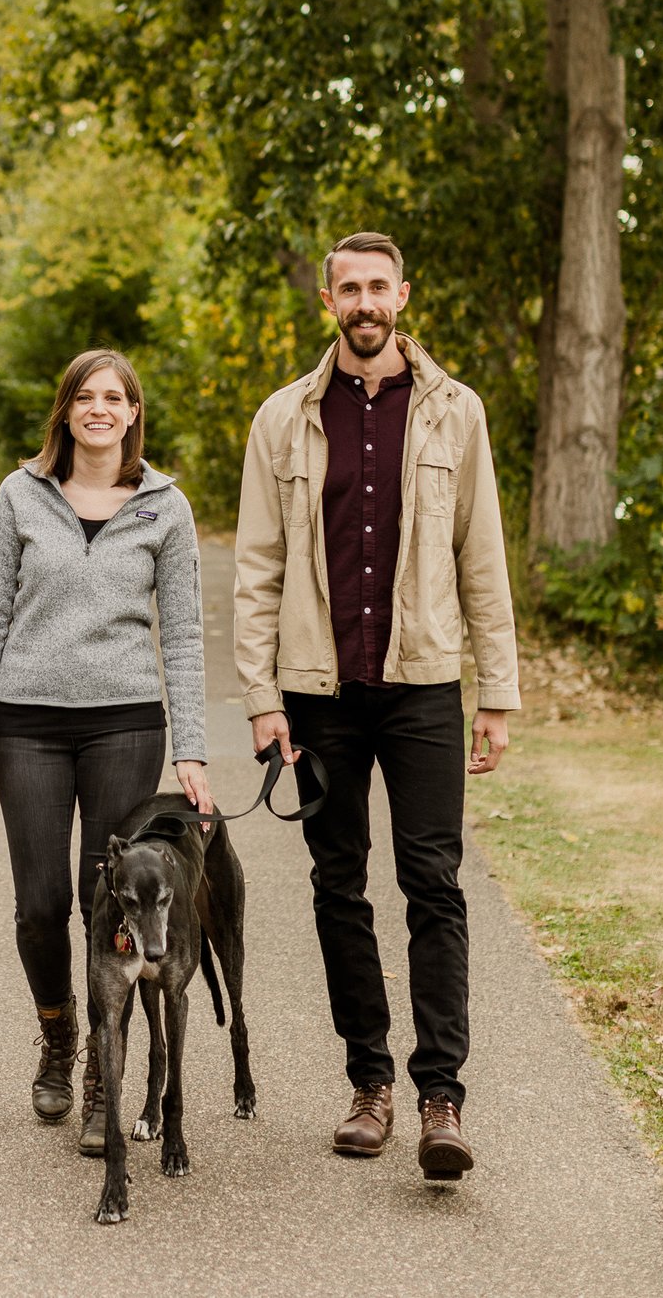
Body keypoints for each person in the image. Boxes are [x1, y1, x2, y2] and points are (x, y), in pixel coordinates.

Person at [233, 232, 519, 1181]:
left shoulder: (455, 413)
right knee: (337, 887)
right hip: (321, 696)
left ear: (405, 294)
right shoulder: (282, 419)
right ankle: (370, 1083)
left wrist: (498, 695)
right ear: (328, 301)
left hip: (427, 686)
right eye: (348, 288)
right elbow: (258, 571)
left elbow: (483, 558)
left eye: (378, 287)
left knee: (433, 885)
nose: (364, 302)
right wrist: (262, 699)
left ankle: (441, 1097)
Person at [0, 348, 212, 1156]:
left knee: (111, 907)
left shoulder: (164, 507)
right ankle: (59, 1035)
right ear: (65, 411)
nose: (100, 408)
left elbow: (183, 633)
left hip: (126, 726)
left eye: (115, 397)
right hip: (28, 722)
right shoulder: (20, 494)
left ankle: (106, 1070)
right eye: (85, 396)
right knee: (40, 906)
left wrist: (194, 751)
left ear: (134, 413)